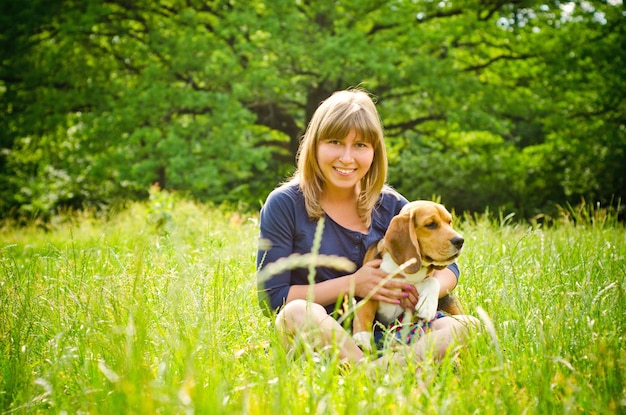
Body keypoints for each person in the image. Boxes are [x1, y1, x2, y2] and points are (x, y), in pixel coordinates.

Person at [256, 88, 477, 366]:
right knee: (295, 312)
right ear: (314, 145)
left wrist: (423, 289)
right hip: (325, 333)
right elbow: (273, 298)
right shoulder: (285, 204)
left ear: (374, 152)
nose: (347, 158)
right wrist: (354, 284)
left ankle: (382, 370)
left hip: (394, 332)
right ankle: (376, 370)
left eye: (360, 145)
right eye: (335, 141)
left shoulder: (390, 204)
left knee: (469, 326)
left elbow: (450, 268)